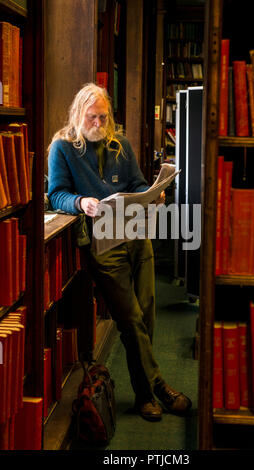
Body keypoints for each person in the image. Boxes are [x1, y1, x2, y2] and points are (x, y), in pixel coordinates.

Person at [47, 83, 192, 421]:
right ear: (78, 114)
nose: (98, 123)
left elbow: (136, 185)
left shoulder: (121, 144)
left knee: (147, 315)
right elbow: (56, 195)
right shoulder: (62, 148)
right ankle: (157, 387)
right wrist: (81, 202)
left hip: (136, 234)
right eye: (92, 117)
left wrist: (152, 193)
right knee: (130, 318)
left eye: (103, 116)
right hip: (103, 242)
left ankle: (144, 396)